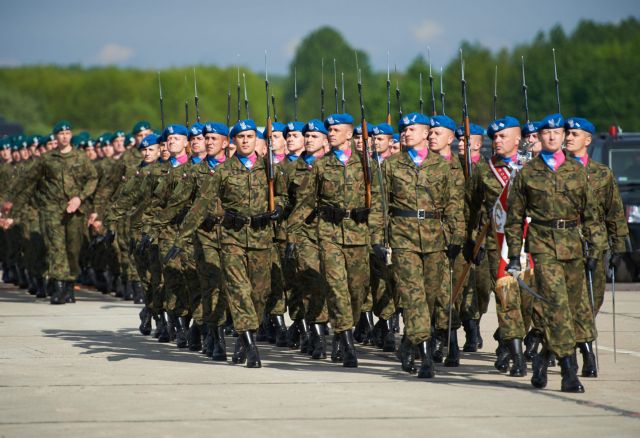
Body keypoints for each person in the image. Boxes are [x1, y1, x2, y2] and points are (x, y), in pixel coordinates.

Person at [505, 113, 605, 393]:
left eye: (557, 132)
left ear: (563, 136)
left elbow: (591, 214)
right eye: (545, 133)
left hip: (573, 244)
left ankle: (542, 356)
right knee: (557, 305)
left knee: (571, 311)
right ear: (538, 137)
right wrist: (515, 255)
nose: (551, 137)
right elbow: (514, 218)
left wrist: (596, 247)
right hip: (543, 244)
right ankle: (568, 370)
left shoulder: (577, 171)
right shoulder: (528, 173)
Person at [384, 112, 464, 377]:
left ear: (426, 133)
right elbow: (381, 205)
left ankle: (409, 341)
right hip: (403, 237)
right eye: (404, 129)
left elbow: (454, 204)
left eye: (412, 129)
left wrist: (456, 237)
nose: (406, 133)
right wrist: (377, 237)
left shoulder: (442, 167)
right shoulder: (392, 165)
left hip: (434, 237)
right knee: (413, 294)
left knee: (429, 297)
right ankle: (426, 356)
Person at [564, 116, 629, 377]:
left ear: (588, 140)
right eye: (567, 133)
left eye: (575, 134)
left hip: (596, 243)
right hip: (565, 242)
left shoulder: (603, 173)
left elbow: (614, 212)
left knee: (592, 301)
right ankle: (576, 352)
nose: (569, 137)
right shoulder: (557, 170)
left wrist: (619, 249)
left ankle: (585, 346)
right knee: (567, 301)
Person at [8, 120, 98, 304]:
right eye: (60, 134)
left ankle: (70, 283)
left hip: (75, 211)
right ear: (55, 137)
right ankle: (58, 287)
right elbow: (28, 181)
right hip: (51, 209)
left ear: (70, 135)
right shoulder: (46, 159)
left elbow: (92, 178)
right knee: (56, 247)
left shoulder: (81, 158)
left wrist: (79, 197)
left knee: (73, 249)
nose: (64, 137)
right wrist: (12, 205)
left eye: (67, 133)